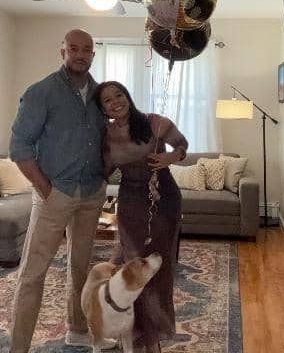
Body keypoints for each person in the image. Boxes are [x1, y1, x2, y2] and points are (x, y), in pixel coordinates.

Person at [8, 29, 115, 352]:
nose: (80, 54)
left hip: (91, 194)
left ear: (93, 54)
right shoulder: (41, 92)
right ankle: (18, 347)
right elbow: (19, 147)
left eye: (87, 49)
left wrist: (105, 175)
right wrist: (45, 189)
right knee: (32, 274)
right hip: (54, 194)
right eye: (74, 48)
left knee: (81, 267)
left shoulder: (100, 96)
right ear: (63, 52)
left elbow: (108, 140)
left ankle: (78, 330)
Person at [94, 81, 188, 353]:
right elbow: (103, 171)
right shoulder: (106, 136)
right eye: (107, 100)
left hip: (164, 199)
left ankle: (154, 337)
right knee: (133, 267)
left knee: (159, 270)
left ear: (128, 96)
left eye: (119, 95)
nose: (115, 102)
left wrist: (172, 157)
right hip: (131, 201)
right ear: (103, 109)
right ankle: (136, 334)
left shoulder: (154, 122)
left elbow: (182, 144)